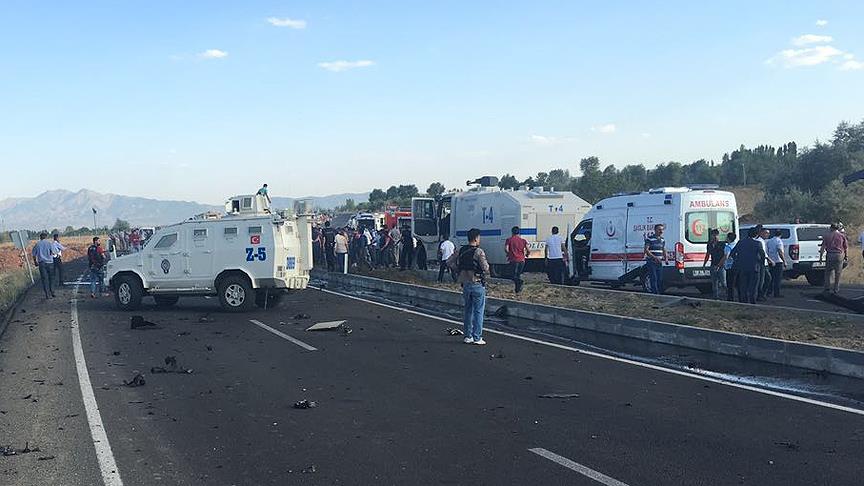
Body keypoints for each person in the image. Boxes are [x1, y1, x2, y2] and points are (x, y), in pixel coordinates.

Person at [447, 228, 490, 345]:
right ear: (476, 238)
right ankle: (477, 337)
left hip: (465, 283)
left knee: (468, 310)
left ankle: (467, 336)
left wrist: (459, 270)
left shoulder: (461, 250)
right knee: (478, 311)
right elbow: (485, 268)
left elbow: (449, 262)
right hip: (477, 283)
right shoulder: (479, 252)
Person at [730, 227, 765, 304]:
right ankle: (752, 302)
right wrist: (760, 263)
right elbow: (763, 255)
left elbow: (732, 253)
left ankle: (744, 302)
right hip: (754, 268)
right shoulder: (757, 243)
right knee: (753, 287)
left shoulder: (740, 242)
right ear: (756, 235)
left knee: (743, 286)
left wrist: (738, 260)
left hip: (742, 267)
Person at [819, 223, 848, 294]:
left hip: (830, 254)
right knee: (838, 273)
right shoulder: (842, 236)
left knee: (828, 272)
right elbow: (845, 247)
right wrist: (846, 256)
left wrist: (820, 257)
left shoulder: (827, 236)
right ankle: (836, 288)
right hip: (839, 255)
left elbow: (823, 247)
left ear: (831, 228)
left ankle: (827, 288)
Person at [643, 224, 668, 294]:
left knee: (659, 278)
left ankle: (659, 292)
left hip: (659, 262)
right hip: (651, 261)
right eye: (659, 229)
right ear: (655, 230)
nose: (661, 231)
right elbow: (646, 250)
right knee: (653, 278)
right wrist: (655, 257)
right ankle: (655, 293)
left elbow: (663, 249)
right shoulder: (650, 239)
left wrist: (666, 258)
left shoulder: (662, 240)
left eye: (662, 229)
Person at [702, 229, 727, 299]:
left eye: (716, 235)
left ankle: (728, 295)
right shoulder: (709, 244)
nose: (714, 237)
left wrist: (719, 265)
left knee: (723, 283)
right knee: (714, 282)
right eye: (713, 235)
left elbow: (724, 256)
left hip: (721, 266)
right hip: (713, 264)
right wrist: (704, 264)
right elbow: (708, 254)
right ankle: (716, 297)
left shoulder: (722, 244)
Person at [32, 232, 56, 299]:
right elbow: (53, 252)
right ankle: (52, 291)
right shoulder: (49, 243)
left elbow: (34, 254)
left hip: (42, 263)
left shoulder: (37, 244)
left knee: (44, 279)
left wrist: (35, 262)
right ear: (46, 236)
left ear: (40, 237)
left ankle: (47, 294)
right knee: (52, 278)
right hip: (50, 262)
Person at [505, 226, 529, 293]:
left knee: (513, 275)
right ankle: (517, 289)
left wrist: (509, 253)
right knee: (518, 275)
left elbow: (506, 249)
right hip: (522, 260)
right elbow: (528, 249)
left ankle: (519, 283)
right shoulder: (523, 240)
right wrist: (527, 254)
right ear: (519, 232)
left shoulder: (509, 240)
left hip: (513, 260)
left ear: (512, 232)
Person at [766, 229, 786, 298]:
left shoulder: (769, 241)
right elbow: (780, 251)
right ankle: (776, 293)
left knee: (771, 278)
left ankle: (769, 292)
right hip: (778, 261)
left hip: (771, 261)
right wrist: (784, 261)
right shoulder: (779, 241)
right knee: (777, 278)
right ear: (781, 235)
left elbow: (767, 251)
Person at [755, 226, 773, 301]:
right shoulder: (759, 241)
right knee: (762, 280)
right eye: (766, 233)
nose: (767, 235)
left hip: (765, 263)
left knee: (767, 279)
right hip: (761, 264)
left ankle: (762, 294)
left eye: (768, 233)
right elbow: (763, 253)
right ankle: (760, 295)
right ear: (761, 233)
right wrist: (770, 259)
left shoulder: (763, 241)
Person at [723, 232, 738, 302]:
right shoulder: (736, 245)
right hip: (736, 266)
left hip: (729, 267)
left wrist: (721, 264)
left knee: (730, 284)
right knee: (736, 283)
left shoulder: (728, 247)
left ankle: (730, 298)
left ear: (728, 238)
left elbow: (726, 256)